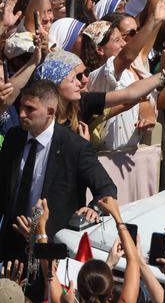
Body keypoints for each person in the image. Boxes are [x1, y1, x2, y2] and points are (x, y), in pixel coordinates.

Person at [0, 80, 116, 261]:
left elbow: (107, 189)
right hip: (11, 243)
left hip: (51, 245)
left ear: (50, 112)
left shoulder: (74, 147)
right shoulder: (14, 137)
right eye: (21, 107)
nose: (22, 114)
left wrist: (93, 209)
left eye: (30, 109)